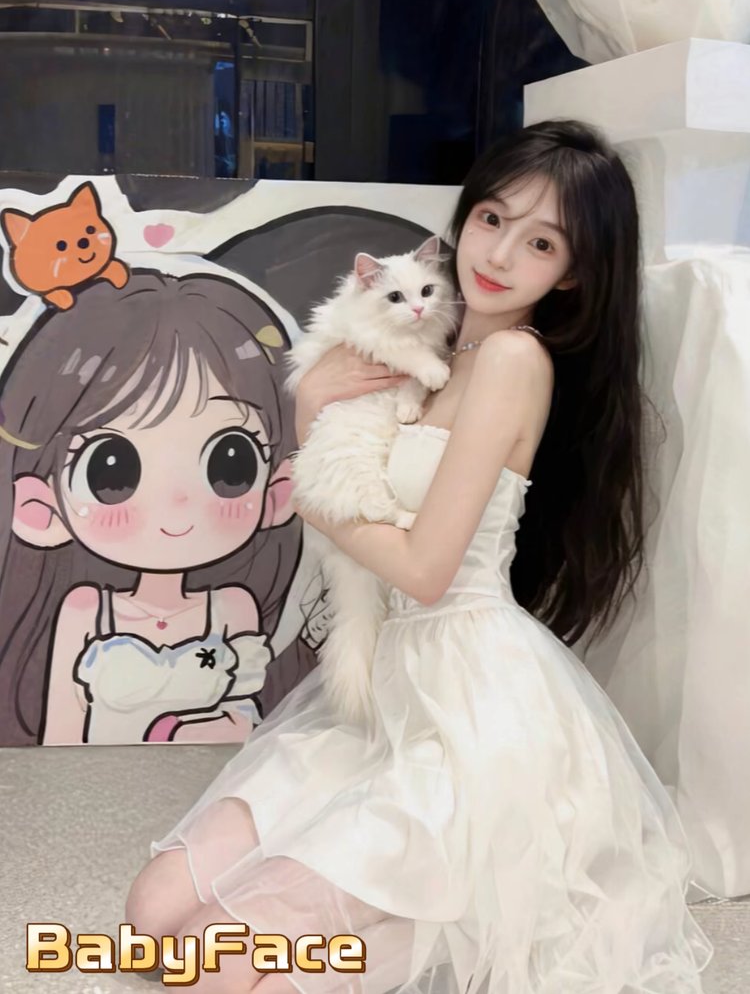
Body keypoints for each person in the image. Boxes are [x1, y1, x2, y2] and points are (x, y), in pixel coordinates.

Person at [125, 121, 713, 993]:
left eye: (541, 242)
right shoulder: (430, 344)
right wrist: (310, 411)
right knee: (152, 916)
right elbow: (354, 478)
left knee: (216, 966)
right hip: (386, 697)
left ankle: (471, 913)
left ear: (573, 272)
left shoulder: (513, 358)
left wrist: (306, 487)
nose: (500, 254)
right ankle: (442, 910)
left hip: (469, 708)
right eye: (492, 219)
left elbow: (426, 570)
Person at [0, 271, 305, 746]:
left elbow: (242, 718)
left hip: (210, 781)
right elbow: (61, 735)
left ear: (278, 492)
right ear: (41, 509)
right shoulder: (86, 611)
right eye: (112, 473)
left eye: (232, 464)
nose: (178, 501)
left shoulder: (233, 609)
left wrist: (173, 732)